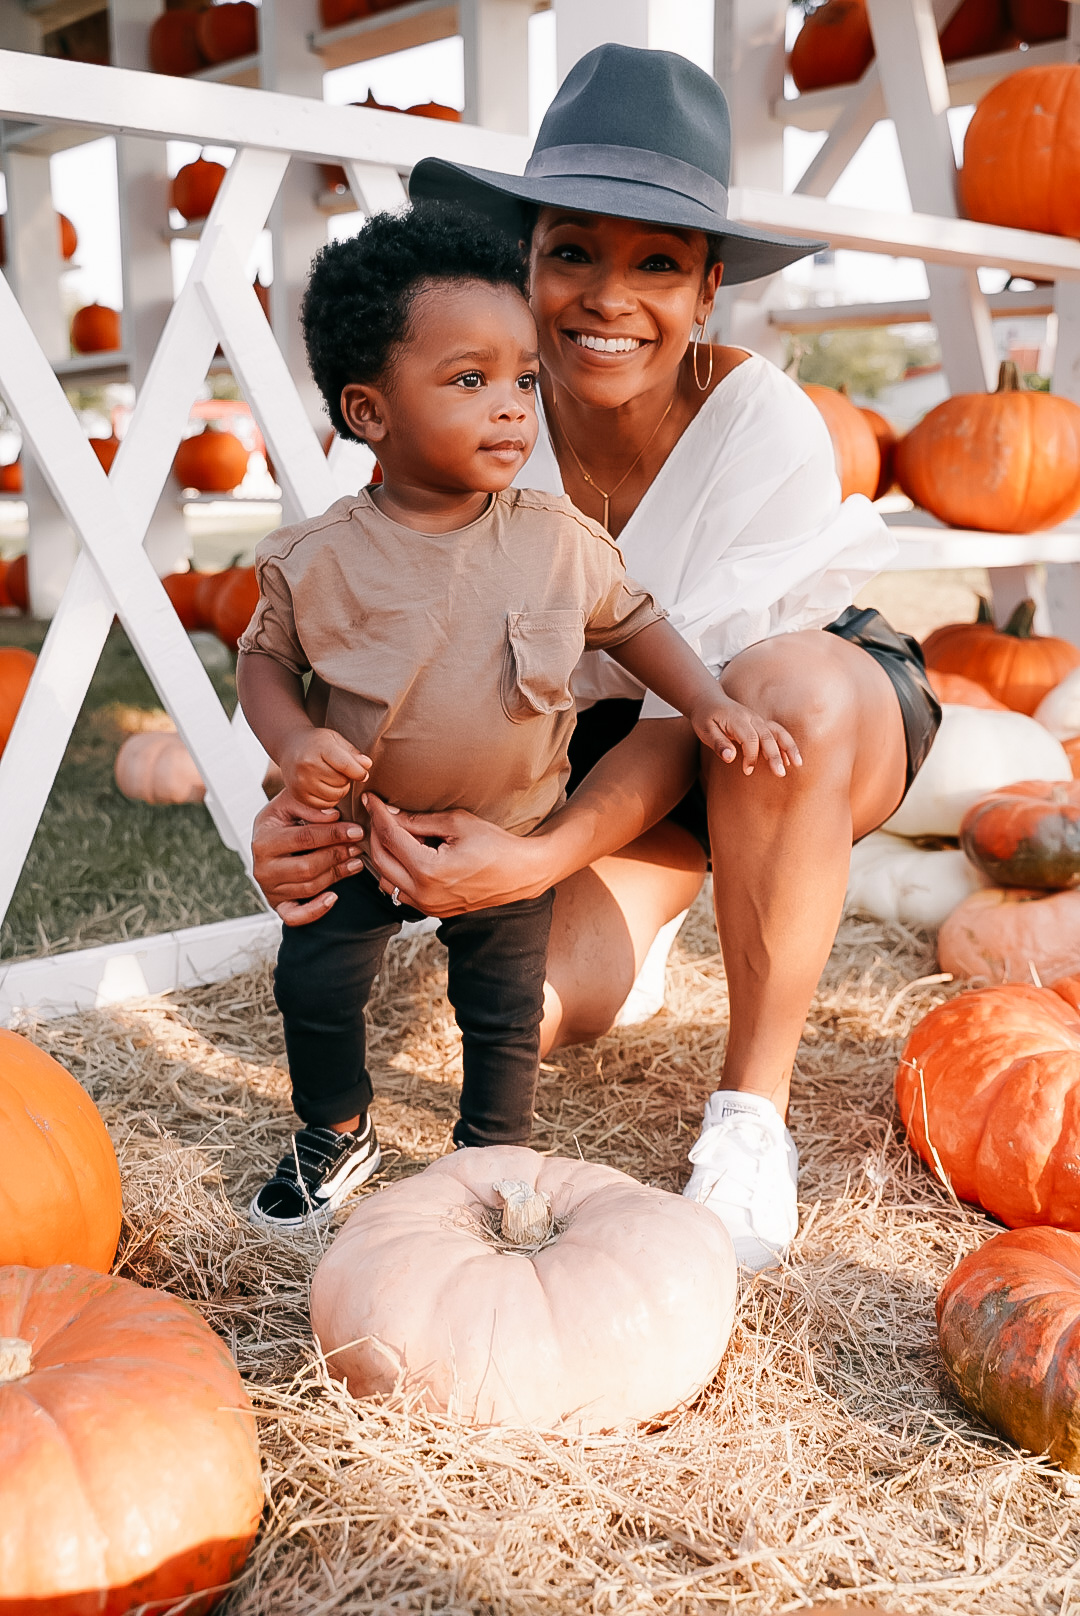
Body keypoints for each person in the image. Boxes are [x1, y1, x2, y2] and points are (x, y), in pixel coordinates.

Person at [250, 45, 940, 1267]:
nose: (606, 298)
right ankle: (663, 918)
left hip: (772, 724)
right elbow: (375, 639)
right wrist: (308, 803)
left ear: (709, 286)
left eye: (657, 264)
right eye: (573, 250)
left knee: (775, 695)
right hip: (594, 743)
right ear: (527, 256)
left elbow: (691, 712)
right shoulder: (474, 411)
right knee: (547, 1009)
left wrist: (531, 860)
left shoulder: (764, 423)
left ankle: (750, 1118)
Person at [237, 202, 799, 1230]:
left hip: (513, 829)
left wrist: (711, 698)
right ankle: (337, 1127)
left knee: (500, 1014)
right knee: (315, 983)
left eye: (523, 380)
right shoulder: (316, 558)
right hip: (363, 830)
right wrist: (291, 741)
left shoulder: (554, 540)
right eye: (469, 381)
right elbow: (263, 663)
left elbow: (636, 625)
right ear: (371, 412)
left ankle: (491, 1154)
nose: (511, 408)